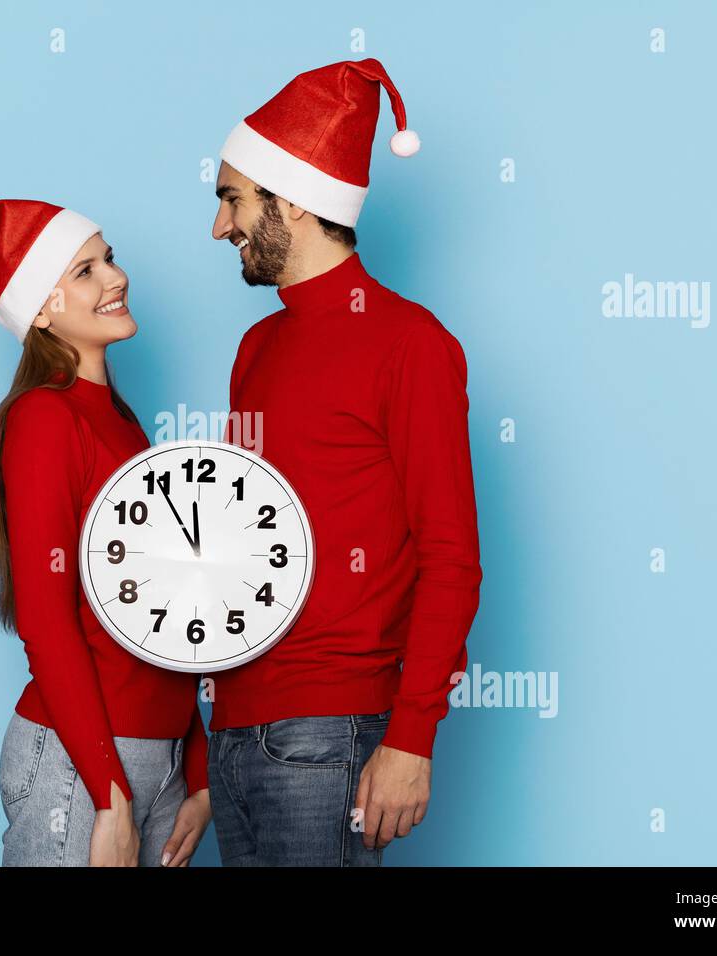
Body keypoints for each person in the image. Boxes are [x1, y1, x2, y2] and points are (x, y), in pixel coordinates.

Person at [206, 59, 483, 866]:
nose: (218, 228)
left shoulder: (411, 344)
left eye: (231, 199)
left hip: (331, 734)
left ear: (291, 199)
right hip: (232, 725)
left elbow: (451, 557)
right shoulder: (256, 346)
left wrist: (412, 737)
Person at [0, 199, 211, 866]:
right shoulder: (43, 419)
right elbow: (46, 618)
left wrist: (199, 773)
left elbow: (170, 619)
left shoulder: (122, 425)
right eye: (85, 270)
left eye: (109, 258)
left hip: (159, 757)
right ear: (40, 309)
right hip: (80, 763)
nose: (115, 277)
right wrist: (109, 796)